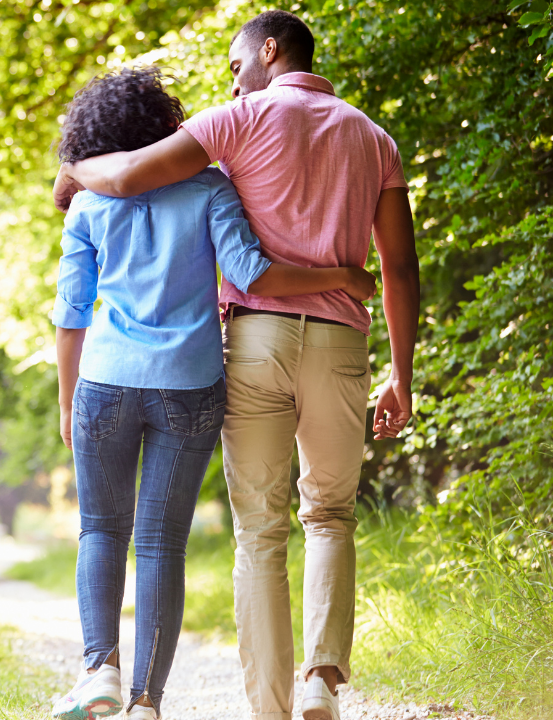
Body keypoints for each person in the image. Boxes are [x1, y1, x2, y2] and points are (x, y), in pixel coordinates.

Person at [51, 11, 421, 720]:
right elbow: (398, 268)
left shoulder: (235, 121)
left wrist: (71, 167)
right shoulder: (372, 137)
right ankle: (319, 678)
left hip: (243, 344)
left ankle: (262, 707)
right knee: (330, 516)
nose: (230, 75)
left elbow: (125, 184)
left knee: (253, 529)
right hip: (329, 347)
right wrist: (399, 371)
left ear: (268, 51)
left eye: (233, 62)